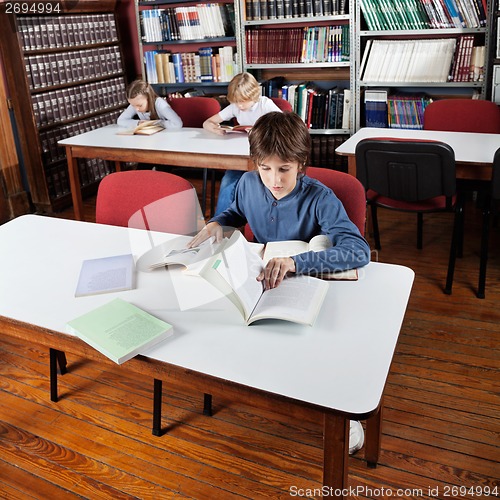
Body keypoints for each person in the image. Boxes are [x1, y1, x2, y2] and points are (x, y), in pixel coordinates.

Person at [190, 111, 370, 454]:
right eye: (265, 168)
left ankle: (343, 411)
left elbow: (358, 251)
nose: (274, 179)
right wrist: (218, 222)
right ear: (255, 163)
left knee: (323, 340)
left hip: (302, 283)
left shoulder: (320, 197)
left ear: (301, 164)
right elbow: (236, 213)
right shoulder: (247, 184)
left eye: (284, 169)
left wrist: (295, 263)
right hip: (260, 282)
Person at [203, 72, 282, 215]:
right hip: (242, 155)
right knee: (228, 181)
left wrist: (260, 131)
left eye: (243, 101)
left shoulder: (264, 104)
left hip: (266, 156)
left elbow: (286, 126)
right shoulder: (235, 106)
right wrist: (214, 128)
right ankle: (220, 223)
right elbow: (207, 122)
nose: (239, 105)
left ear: (253, 95)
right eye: (236, 101)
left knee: (256, 184)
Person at [117, 79, 182, 130]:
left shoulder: (160, 104)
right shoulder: (135, 104)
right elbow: (120, 120)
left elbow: (177, 124)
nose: (136, 109)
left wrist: (155, 123)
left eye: (140, 105)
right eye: (133, 105)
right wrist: (138, 123)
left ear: (148, 98)